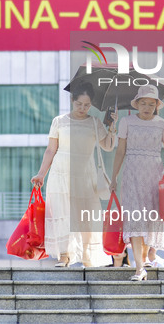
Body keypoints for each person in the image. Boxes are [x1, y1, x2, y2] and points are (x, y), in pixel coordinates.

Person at [31, 82, 117, 267]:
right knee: (62, 213)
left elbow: (108, 146)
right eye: (79, 104)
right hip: (60, 174)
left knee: (85, 216)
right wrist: (41, 174)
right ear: (72, 100)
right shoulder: (59, 121)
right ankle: (64, 255)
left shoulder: (94, 122)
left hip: (85, 175)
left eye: (87, 105)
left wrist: (112, 126)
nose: (83, 108)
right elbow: (50, 150)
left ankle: (86, 252)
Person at [109, 85, 164, 281]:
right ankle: (139, 268)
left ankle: (145, 258)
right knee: (135, 219)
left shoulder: (162, 124)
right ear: (136, 104)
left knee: (150, 220)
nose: (147, 107)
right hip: (132, 174)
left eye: (151, 104)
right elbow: (120, 151)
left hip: (155, 175)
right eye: (143, 103)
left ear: (156, 105)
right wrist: (114, 177)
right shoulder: (126, 122)